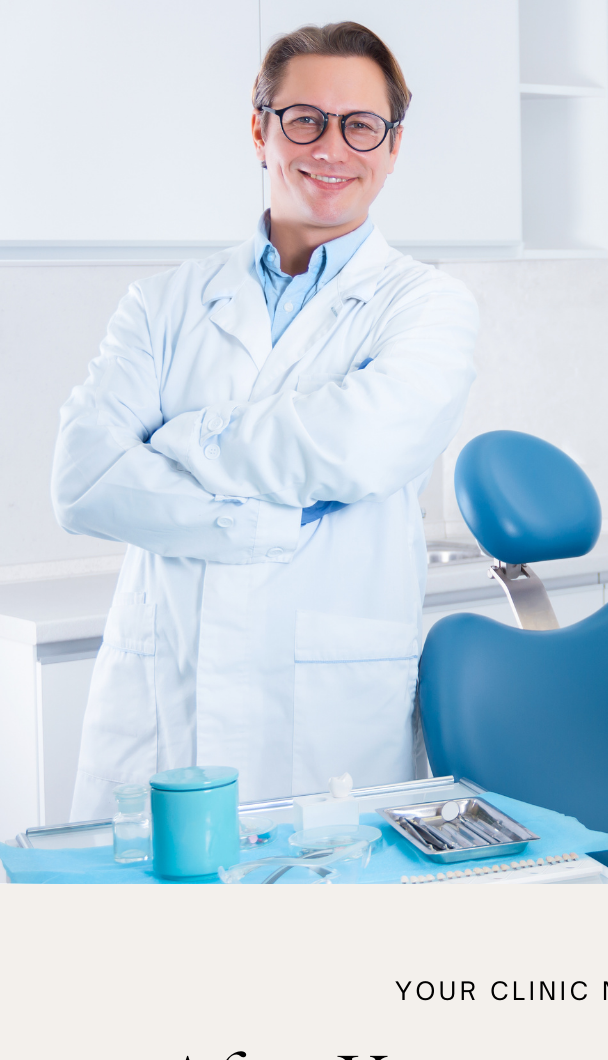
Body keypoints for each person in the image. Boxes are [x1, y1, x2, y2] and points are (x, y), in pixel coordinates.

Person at [52, 22, 479, 820]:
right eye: (304, 119)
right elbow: (83, 482)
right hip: (162, 704)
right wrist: (264, 526)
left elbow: (360, 444)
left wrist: (176, 438)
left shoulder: (428, 306)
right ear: (260, 129)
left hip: (324, 723)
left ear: (391, 150)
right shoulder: (161, 304)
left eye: (361, 126)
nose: (331, 148)